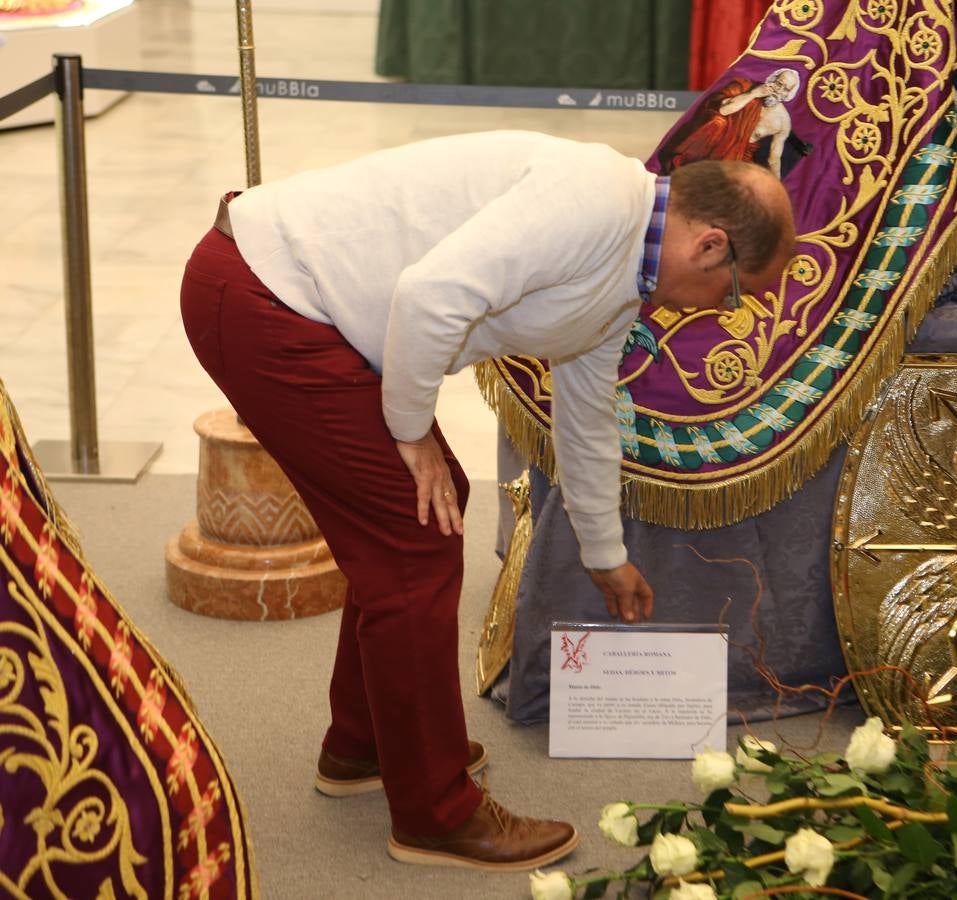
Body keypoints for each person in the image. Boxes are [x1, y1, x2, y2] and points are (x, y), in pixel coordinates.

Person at [179, 130, 795, 868]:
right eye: (734, 296)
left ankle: (364, 744)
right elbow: (430, 295)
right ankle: (435, 814)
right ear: (711, 249)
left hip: (297, 305)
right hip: (263, 296)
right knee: (415, 541)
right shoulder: (598, 201)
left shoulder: (626, 271)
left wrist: (606, 554)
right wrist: (411, 434)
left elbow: (587, 412)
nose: (722, 313)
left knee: (419, 518)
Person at [658, 68, 801, 177]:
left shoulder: (783, 121)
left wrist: (776, 189)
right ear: (771, 80)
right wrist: (753, 94)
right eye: (778, 84)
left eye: (785, 89)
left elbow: (773, 160)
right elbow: (724, 110)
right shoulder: (747, 88)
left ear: (788, 95)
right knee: (718, 123)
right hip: (712, 146)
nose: (778, 90)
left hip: (738, 160)